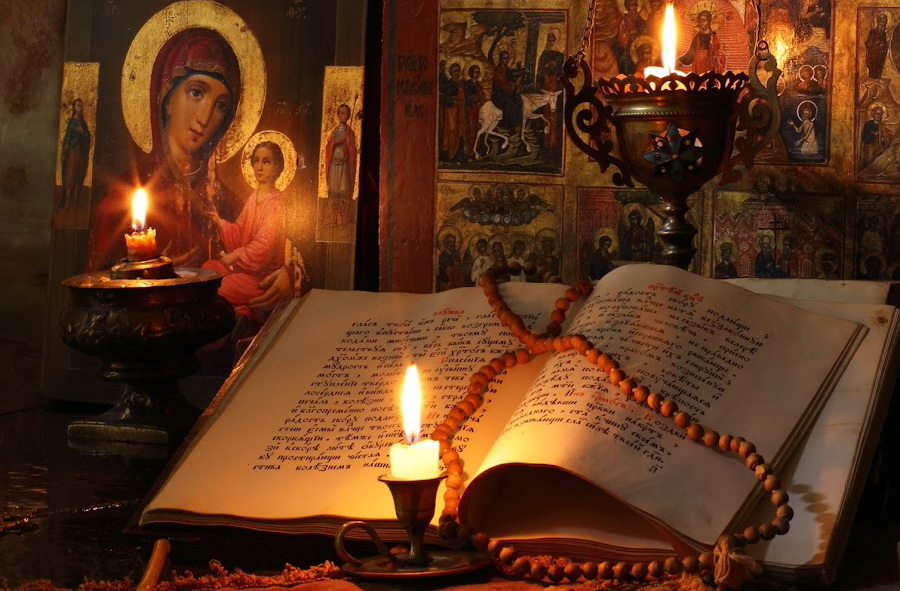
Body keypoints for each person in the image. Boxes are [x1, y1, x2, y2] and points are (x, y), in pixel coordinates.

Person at [87, 28, 242, 271]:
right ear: (166, 98)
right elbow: (98, 281)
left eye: (220, 105)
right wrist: (147, 270)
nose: (204, 118)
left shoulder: (232, 206)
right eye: (196, 92)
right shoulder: (119, 200)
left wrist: (285, 275)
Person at [203, 141, 286, 323]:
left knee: (221, 287)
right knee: (209, 269)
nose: (259, 167)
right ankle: (241, 311)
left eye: (266, 162)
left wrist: (236, 255)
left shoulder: (276, 203)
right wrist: (220, 223)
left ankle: (242, 314)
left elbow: (264, 245)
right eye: (256, 161)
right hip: (244, 269)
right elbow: (240, 232)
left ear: (278, 167)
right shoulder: (253, 197)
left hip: (262, 278)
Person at [325, 103, 358, 226]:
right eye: (339, 113)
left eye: (344, 113)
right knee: (333, 190)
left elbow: (353, 148)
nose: (341, 115)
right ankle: (332, 219)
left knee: (343, 190)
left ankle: (343, 219)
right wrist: (335, 142)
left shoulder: (350, 132)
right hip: (334, 164)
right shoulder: (334, 131)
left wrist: (348, 143)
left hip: (344, 165)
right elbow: (328, 145)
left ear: (348, 115)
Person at [60, 98, 91, 210]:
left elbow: (88, 136)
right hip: (72, 153)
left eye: (81, 106)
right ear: (74, 108)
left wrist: (83, 132)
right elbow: (67, 138)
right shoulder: (72, 123)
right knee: (70, 176)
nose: (80, 108)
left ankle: (75, 202)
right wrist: (65, 152)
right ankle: (67, 203)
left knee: (79, 176)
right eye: (78, 106)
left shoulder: (83, 123)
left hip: (81, 153)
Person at [440, 62, 468, 162]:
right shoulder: (449, 83)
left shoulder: (461, 83)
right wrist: (454, 101)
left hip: (460, 111)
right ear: (451, 72)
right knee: (452, 131)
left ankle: (459, 156)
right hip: (451, 112)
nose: (457, 73)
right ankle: (451, 156)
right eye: (455, 71)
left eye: (458, 71)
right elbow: (446, 98)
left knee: (461, 131)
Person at [491, 51, 521, 131]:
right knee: (510, 103)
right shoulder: (498, 70)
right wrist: (513, 85)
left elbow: (510, 80)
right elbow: (500, 85)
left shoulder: (507, 68)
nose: (506, 60)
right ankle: (509, 125)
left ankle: (519, 123)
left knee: (519, 100)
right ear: (501, 59)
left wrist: (516, 83)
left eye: (507, 58)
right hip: (499, 94)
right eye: (504, 58)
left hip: (508, 92)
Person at [463, 64, 487, 159]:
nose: (477, 74)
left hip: (479, 110)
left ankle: (477, 150)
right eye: (475, 72)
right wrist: (475, 98)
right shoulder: (468, 84)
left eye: (478, 72)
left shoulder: (479, 84)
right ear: (471, 73)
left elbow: (483, 96)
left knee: (479, 129)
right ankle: (470, 152)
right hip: (471, 110)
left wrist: (482, 99)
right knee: (471, 130)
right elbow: (467, 98)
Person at [865, 13, 889, 79]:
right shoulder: (873, 32)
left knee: (879, 67)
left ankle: (878, 77)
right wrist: (877, 44)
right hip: (874, 54)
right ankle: (873, 78)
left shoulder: (884, 33)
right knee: (874, 67)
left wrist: (885, 45)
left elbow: (884, 43)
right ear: (878, 22)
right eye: (882, 22)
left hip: (880, 54)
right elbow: (868, 44)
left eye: (885, 22)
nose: (883, 24)